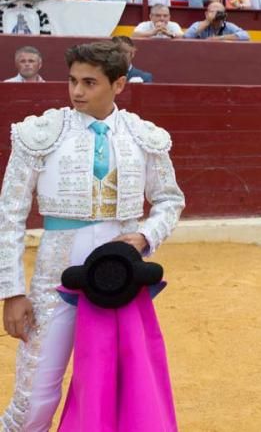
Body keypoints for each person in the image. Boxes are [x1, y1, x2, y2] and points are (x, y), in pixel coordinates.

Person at [0, 41, 184, 431]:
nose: (77, 92)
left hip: (120, 280)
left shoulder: (144, 136)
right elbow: (9, 216)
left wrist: (144, 237)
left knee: (115, 388)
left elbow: (170, 200)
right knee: (35, 396)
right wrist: (12, 291)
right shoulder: (40, 133)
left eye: (89, 82)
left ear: (118, 85)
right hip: (54, 280)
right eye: (72, 81)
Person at [182, 2, 251, 41]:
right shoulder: (199, 25)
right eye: (212, 12)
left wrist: (220, 38)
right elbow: (186, 36)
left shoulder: (228, 26)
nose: (216, 15)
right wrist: (207, 21)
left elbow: (245, 36)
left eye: (219, 12)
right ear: (206, 14)